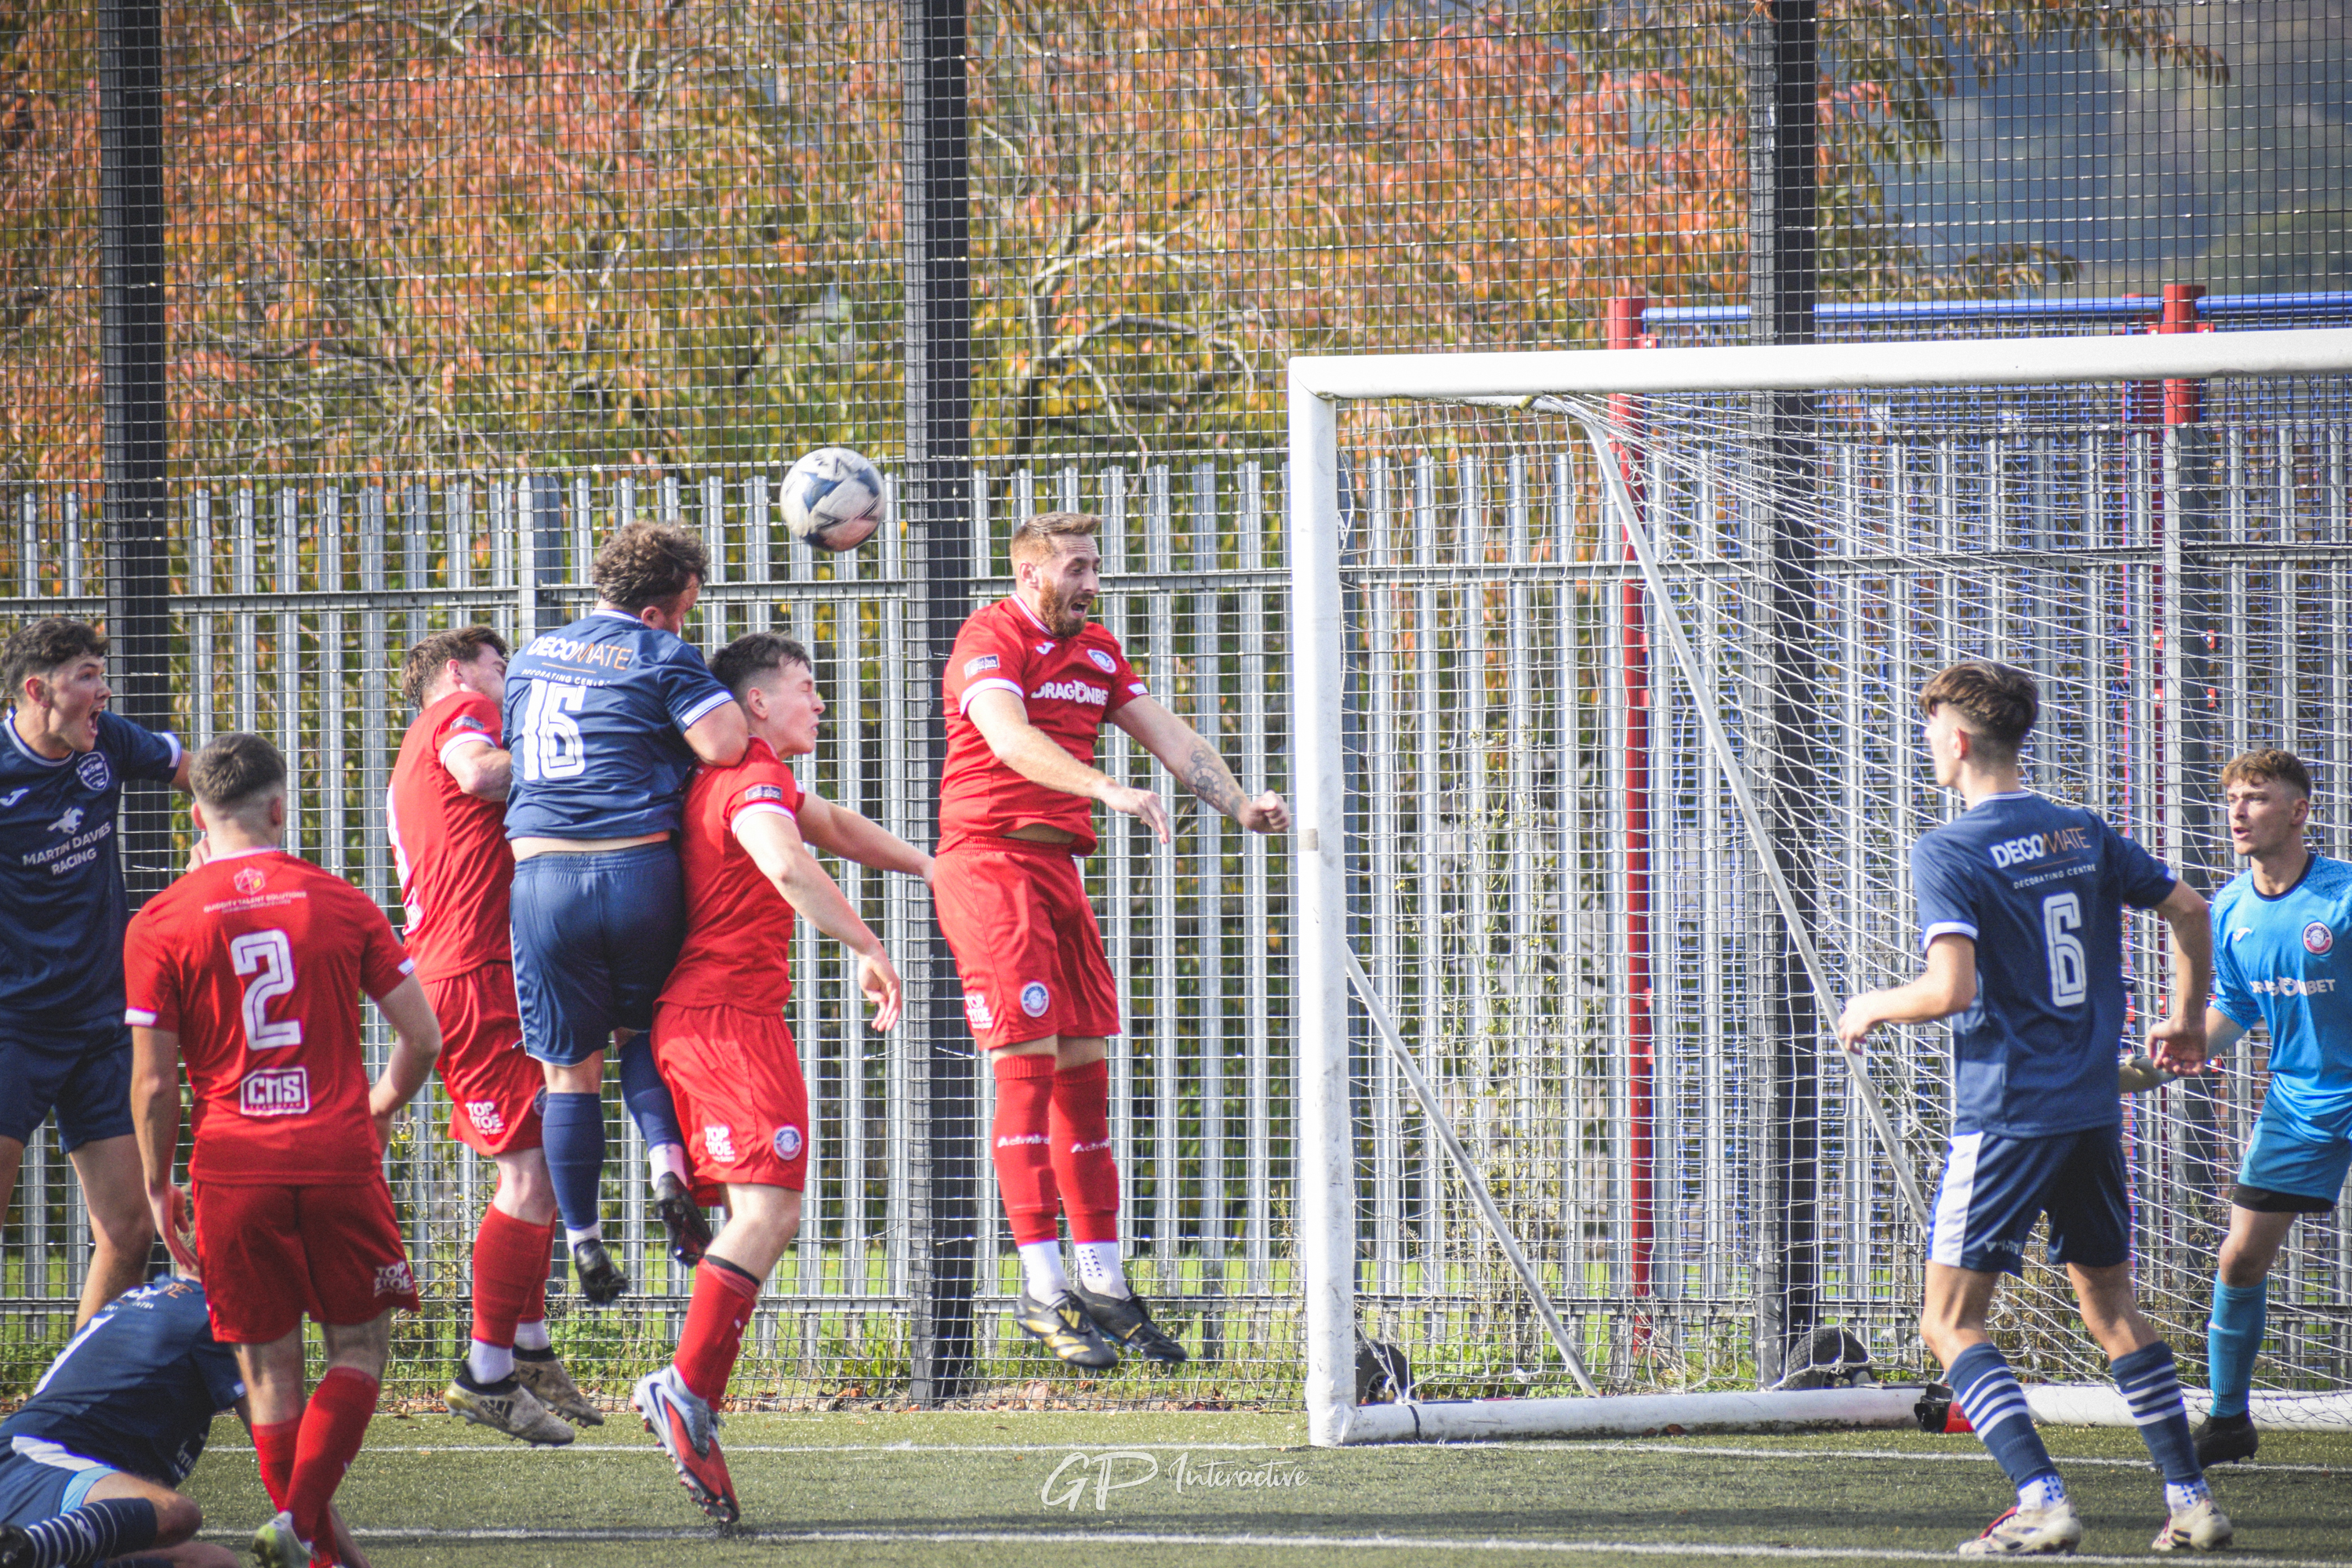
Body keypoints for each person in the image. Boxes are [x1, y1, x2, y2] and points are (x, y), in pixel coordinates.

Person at [1838, 662, 2228, 1556]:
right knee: (2109, 1301)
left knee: (1948, 1321)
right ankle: (2190, 1498)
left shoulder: (1950, 847)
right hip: (2091, 1107)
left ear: (1960, 738)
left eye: (1930, 724)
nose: (1926, 741)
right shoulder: (2081, 829)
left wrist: (1870, 1003)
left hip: (2009, 1111)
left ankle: (2041, 1497)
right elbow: (2190, 906)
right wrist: (2185, 1015)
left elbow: (1949, 988)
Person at [935, 510, 1289, 1370]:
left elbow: (1169, 733)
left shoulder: (1096, 647)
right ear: (1031, 575)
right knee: (1025, 1064)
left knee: (1085, 1071)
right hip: (989, 864)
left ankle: (1102, 1282)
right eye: (1079, 568)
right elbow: (1006, 736)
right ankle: (1042, 1289)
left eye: (1095, 566)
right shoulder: (990, 635)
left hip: (1057, 875)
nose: (1094, 582)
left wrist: (1239, 803)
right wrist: (1106, 788)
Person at [125, 733, 441, 1568]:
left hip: (232, 1163)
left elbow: (155, 1086)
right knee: (359, 1349)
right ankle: (304, 1528)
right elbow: (424, 1035)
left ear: (196, 814)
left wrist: (158, 1185)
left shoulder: (160, 921)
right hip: (337, 1153)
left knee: (268, 1369)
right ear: (277, 807)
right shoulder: (341, 901)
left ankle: (306, 1536)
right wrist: (378, 1105)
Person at [631, 633, 925, 1523]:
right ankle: (684, 1390)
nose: (821, 703)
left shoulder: (760, 774)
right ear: (756, 702)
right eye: (807, 687)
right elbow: (787, 858)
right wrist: (869, 946)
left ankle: (675, 1183)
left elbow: (825, 826)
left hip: (729, 1018)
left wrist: (929, 866)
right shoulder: (752, 776)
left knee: (764, 1207)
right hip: (724, 1020)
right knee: (769, 1210)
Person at [503, 523, 749, 1303]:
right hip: (638, 867)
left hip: (542, 875)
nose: (684, 627)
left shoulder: (531, 655)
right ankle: (665, 1164)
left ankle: (582, 1240)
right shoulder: (661, 653)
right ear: (655, 611)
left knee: (567, 1072)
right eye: (681, 612)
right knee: (643, 1029)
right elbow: (725, 742)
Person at [388, 628, 593, 1446]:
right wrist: (575, 758)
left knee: (542, 1151)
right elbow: (481, 772)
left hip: (479, 966)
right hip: (471, 968)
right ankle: (487, 1370)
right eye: (498, 664)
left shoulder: (425, 734)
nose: (505, 680)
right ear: (455, 669)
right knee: (532, 1167)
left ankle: (531, 1343)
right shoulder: (461, 711)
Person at [2, 618, 191, 1326]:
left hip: (100, 1025)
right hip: (13, 1026)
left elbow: (197, 771)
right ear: (35, 689)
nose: (103, 690)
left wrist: (232, 839)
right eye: (86, 675)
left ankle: (71, 1409)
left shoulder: (107, 742)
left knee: (132, 1231)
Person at [2168, 750, 2352, 1467]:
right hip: (2299, 1106)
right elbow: (2232, 1011)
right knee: (2240, 1259)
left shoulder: (2342, 896)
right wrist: (2145, 1071)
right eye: (2233, 798)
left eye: (2258, 797)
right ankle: (2229, 1419)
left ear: (2300, 811)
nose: (2239, 812)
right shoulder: (2229, 911)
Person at [0, 1270, 368, 1568]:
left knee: (213, 1563)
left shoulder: (156, 1298)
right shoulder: (210, 1317)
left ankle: (39, 1551)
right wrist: (347, 1561)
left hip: (44, 1477)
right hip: (31, 1462)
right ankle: (23, 1550)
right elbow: (289, 1460)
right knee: (175, 1514)